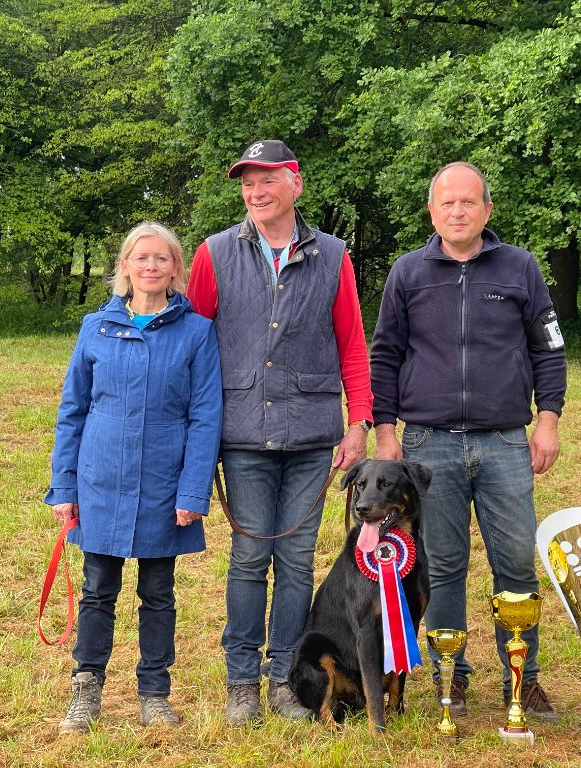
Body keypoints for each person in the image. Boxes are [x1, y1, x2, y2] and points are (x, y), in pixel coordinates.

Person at [370, 161, 567, 722]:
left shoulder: (520, 269)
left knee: (515, 566)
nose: (457, 212)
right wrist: (387, 433)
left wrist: (547, 420)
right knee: (441, 564)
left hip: (505, 443)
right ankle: (447, 678)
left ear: (487, 209)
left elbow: (548, 349)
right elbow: (384, 355)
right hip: (428, 447)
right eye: (446, 203)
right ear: (432, 211)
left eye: (468, 202)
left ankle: (523, 680)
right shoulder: (408, 273)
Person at [187, 140, 373, 726]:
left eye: (267, 179)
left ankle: (284, 679)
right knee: (248, 558)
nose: (255, 192)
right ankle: (240, 679)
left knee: (295, 562)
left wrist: (358, 423)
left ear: (295, 183)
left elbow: (352, 344)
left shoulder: (334, 256)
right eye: (247, 182)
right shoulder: (213, 254)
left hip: (313, 437)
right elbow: (191, 346)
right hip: (241, 435)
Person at [45, 222, 222, 733]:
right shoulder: (94, 329)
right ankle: (86, 689)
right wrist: (64, 485)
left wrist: (192, 491)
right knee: (97, 590)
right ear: (124, 267)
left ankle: (155, 693)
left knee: (158, 593)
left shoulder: (197, 332)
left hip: (163, 487)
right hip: (99, 482)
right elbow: (72, 410)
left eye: (161, 259)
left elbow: (204, 416)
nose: (150, 266)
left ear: (176, 269)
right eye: (140, 258)